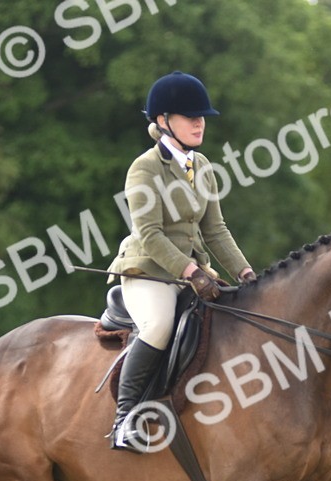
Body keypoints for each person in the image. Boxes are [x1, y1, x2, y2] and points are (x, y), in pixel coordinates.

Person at [107, 71, 257, 452]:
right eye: (190, 116)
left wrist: (245, 273)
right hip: (149, 270)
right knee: (158, 325)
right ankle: (125, 418)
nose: (199, 122)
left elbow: (216, 230)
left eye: (202, 116)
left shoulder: (202, 166)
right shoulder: (145, 168)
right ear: (162, 121)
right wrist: (190, 271)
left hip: (192, 273)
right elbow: (150, 234)